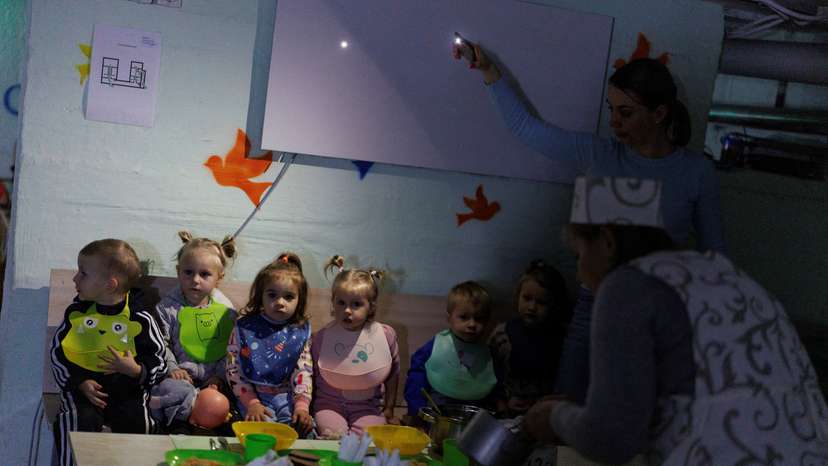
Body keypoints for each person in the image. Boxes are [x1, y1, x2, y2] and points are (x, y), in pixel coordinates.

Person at [454, 43, 726, 403]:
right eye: (612, 110)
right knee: (568, 409)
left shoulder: (696, 172)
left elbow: (715, 257)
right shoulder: (600, 154)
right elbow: (527, 129)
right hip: (592, 307)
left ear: (659, 114)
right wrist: (488, 70)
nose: (614, 122)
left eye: (626, 113)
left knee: (629, 422)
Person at [522, 176, 828, 464]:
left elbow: (611, 438)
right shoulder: (721, 272)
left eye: (579, 254)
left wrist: (553, 417)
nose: (579, 272)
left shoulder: (628, 284)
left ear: (607, 241)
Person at [50, 239, 167, 466]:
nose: (75, 279)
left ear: (110, 285)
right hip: (83, 394)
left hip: (127, 393)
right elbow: (58, 353)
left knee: (140, 423)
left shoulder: (140, 318)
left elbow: (159, 360)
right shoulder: (77, 313)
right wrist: (80, 381)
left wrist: (136, 370)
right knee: (76, 419)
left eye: (83, 273)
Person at [311, 256, 400, 438]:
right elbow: (310, 375)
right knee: (332, 435)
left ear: (371, 307)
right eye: (341, 303)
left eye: (356, 304)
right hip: (329, 405)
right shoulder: (321, 337)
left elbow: (393, 374)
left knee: (368, 439)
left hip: (368, 408)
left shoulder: (386, 336)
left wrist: (389, 407)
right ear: (333, 303)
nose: (347, 311)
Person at [225, 253, 314, 435]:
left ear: (300, 300)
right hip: (253, 397)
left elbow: (303, 371)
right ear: (260, 296)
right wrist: (252, 403)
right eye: (272, 295)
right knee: (260, 435)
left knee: (302, 431)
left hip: (289, 398)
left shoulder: (299, 332)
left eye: (288, 297)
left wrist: (302, 407)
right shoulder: (245, 328)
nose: (280, 302)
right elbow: (233, 368)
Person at [489, 261, 571, 417]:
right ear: (518, 296)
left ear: (554, 305)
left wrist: (541, 404)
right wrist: (502, 401)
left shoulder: (562, 339)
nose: (532, 307)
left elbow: (563, 383)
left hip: (545, 412)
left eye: (541, 302)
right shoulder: (503, 335)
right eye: (527, 298)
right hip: (507, 408)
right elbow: (490, 375)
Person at [156, 231, 237, 388]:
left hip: (214, 381)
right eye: (188, 272)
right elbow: (160, 344)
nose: (195, 280)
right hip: (178, 378)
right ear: (178, 271)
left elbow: (232, 348)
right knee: (172, 392)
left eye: (204, 274)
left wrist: (219, 377)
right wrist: (173, 368)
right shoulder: (166, 309)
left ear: (219, 278)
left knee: (215, 403)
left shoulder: (227, 312)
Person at [404, 281, 497, 416]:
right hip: (438, 407)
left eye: (479, 318)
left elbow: (495, 382)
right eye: (464, 317)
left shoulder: (489, 354)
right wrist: (417, 408)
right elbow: (416, 376)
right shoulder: (438, 345)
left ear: (487, 321)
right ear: (449, 318)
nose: (472, 324)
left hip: (474, 409)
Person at [149, 378, 230, 433]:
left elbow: (168, 399)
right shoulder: (187, 418)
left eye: (215, 392)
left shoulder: (186, 393)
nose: (214, 387)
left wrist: (156, 401)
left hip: (155, 395)